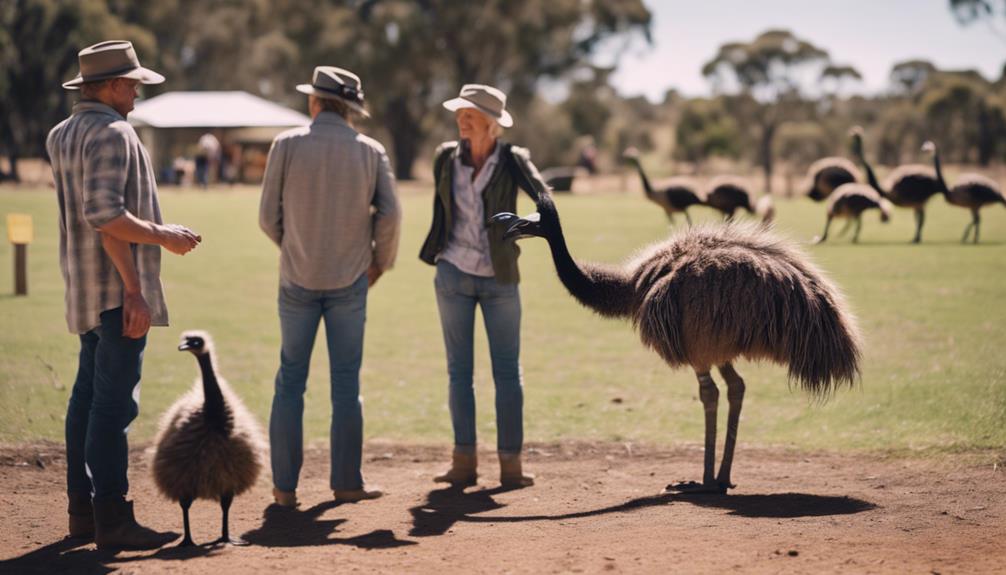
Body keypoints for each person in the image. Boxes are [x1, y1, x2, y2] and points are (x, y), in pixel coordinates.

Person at [48, 40, 201, 550]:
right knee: (114, 407)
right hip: (117, 292)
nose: (136, 91)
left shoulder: (61, 133)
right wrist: (160, 243)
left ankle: (82, 511)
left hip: (82, 288)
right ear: (110, 86)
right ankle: (112, 517)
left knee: (85, 400)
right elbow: (106, 215)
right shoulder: (114, 132)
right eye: (131, 83)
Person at [260, 66, 400, 507]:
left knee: (290, 382)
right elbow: (391, 215)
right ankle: (346, 482)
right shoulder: (370, 151)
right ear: (351, 108)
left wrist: (292, 245)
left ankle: (284, 489)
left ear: (314, 102)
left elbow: (267, 216)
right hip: (350, 281)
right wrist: (379, 264)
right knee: (345, 384)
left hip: (297, 278)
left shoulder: (286, 145)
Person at [419, 84, 551, 488]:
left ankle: (511, 465)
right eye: (460, 113)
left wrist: (515, 228)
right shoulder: (446, 157)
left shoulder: (513, 160)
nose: (462, 120)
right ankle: (464, 462)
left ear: (491, 124)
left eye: (470, 115)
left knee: (507, 372)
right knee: (459, 372)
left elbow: (545, 201)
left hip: (500, 277)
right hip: (453, 273)